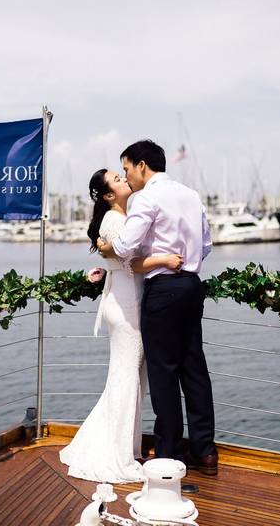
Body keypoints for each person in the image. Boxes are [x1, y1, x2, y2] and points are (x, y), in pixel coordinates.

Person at [96, 140, 217, 475]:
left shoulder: (146, 197)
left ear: (142, 166)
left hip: (163, 289)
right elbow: (206, 245)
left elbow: (125, 246)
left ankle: (168, 452)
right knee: (194, 368)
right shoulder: (191, 195)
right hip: (192, 285)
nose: (127, 176)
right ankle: (205, 452)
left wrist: (105, 245)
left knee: (163, 372)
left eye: (127, 169)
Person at [59, 168, 184, 483]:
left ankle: (126, 447)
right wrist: (165, 260)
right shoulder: (114, 221)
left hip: (130, 299)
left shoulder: (124, 217)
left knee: (132, 378)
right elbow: (130, 263)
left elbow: (119, 259)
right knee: (127, 377)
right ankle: (118, 454)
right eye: (117, 179)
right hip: (126, 303)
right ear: (108, 195)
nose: (124, 179)